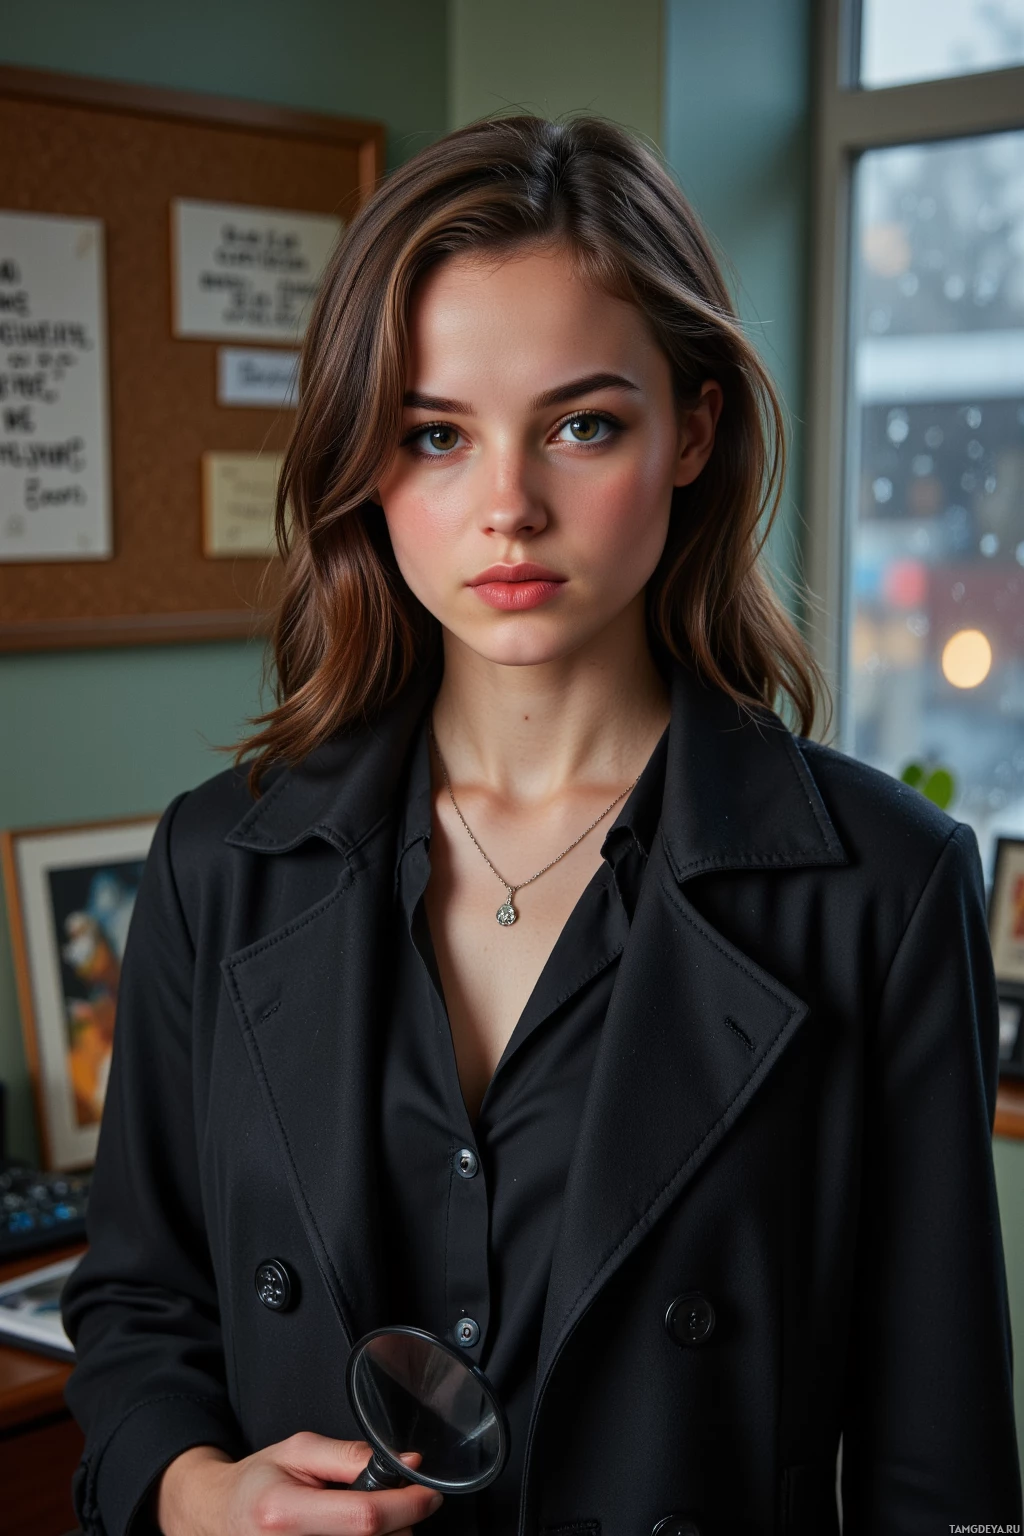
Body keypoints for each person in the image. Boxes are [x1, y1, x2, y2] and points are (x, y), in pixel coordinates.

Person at [61, 113, 1021, 1536]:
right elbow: (139, 1300)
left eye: (583, 425)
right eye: (434, 435)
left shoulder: (881, 888)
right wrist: (195, 1492)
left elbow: (934, 1464)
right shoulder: (223, 862)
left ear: (694, 429)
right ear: (367, 467)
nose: (506, 506)